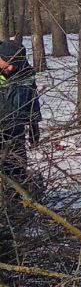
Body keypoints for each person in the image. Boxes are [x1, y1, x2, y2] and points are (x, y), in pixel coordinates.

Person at [0, 39, 42, 184]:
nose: (11, 68)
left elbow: (32, 101)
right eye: (8, 63)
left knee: (17, 171)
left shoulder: (26, 74)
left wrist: (34, 125)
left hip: (16, 133)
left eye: (15, 64)